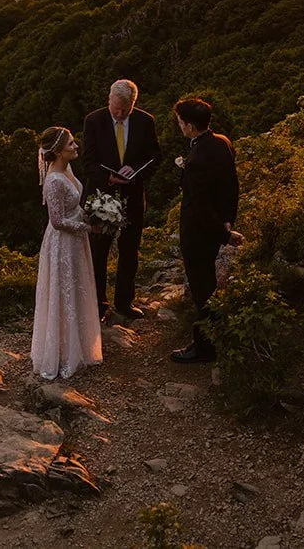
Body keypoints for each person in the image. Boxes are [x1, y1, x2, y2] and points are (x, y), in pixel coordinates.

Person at [80, 79, 160, 320]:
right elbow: (88, 162)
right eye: (116, 109)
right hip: (101, 196)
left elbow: (154, 157)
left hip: (133, 196)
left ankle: (125, 302)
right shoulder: (93, 121)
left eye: (125, 110)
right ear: (109, 99)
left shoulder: (146, 122)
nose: (120, 114)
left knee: (129, 251)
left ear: (133, 104)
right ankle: (99, 305)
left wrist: (134, 171)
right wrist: (109, 178)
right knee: (98, 252)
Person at [170, 97, 242, 364]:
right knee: (208, 286)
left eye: (179, 122)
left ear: (189, 126)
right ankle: (215, 338)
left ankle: (204, 347)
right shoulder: (222, 143)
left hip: (198, 232)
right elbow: (231, 187)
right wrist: (227, 220)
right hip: (216, 225)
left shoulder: (196, 159)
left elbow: (199, 206)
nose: (179, 126)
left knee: (203, 290)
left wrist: (225, 234)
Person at [30, 126, 104, 380]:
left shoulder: (66, 172)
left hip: (75, 241)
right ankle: (62, 352)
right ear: (59, 151)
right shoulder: (53, 180)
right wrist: (89, 227)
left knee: (76, 288)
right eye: (71, 144)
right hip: (62, 243)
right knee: (64, 292)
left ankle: (79, 346)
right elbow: (57, 220)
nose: (76, 147)